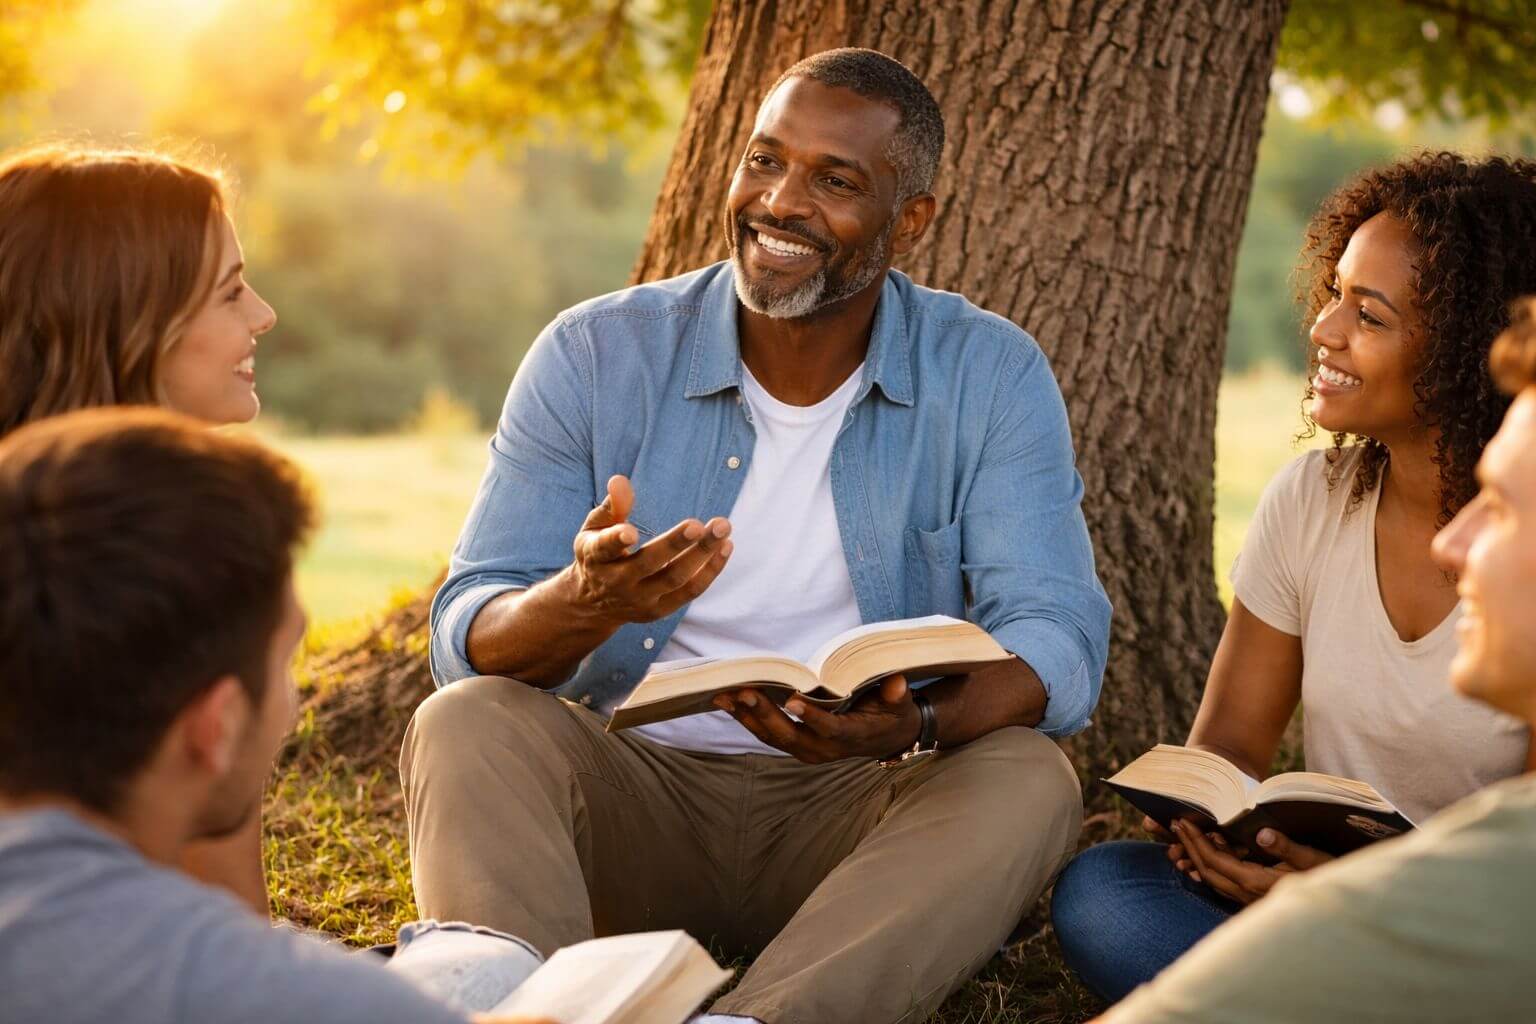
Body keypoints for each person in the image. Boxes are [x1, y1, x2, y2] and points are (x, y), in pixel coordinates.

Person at [407, 48, 1110, 1024]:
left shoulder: (989, 373)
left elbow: (1057, 633)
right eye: (764, 160)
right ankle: (534, 1006)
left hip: (855, 817)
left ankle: (759, 1021)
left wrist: (919, 724)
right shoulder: (595, 351)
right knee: (467, 720)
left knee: (1029, 774)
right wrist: (579, 604)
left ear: (911, 221)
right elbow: (466, 630)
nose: (780, 201)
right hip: (628, 800)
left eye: (834, 179)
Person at [1050, 152, 1536, 1003]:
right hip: (1297, 889)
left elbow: (1517, 867)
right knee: (1108, 895)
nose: (1324, 329)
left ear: (1462, 346)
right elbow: (1231, 741)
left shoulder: (1518, 558)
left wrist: (1333, 900)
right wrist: (1227, 834)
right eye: (1335, 293)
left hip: (1464, 926)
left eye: (1370, 316)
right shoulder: (1312, 499)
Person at [0, 408, 551, 1024]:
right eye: (286, 663)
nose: (291, 707)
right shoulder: (269, 989)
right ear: (218, 726)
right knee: (493, 965)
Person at [0, 142, 278, 914]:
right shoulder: (181, 555)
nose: (262, 314)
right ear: (130, 322)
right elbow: (232, 934)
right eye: (230, 294)